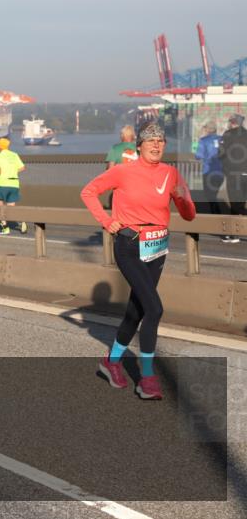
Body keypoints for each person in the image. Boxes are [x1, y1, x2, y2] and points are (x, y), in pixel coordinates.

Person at [81, 123, 196, 400]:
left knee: (137, 311)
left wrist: (182, 200)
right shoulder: (123, 171)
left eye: (161, 141)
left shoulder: (170, 173)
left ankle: (111, 362)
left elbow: (189, 215)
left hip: (157, 246)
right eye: (151, 141)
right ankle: (147, 378)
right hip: (130, 244)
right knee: (154, 309)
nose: (156, 145)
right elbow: (88, 192)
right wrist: (107, 222)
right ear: (139, 146)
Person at [195, 121, 236, 242]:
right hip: (221, 172)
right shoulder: (221, 139)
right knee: (215, 197)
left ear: (207, 129)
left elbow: (198, 156)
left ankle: (221, 228)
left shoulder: (204, 140)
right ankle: (222, 227)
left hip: (209, 172)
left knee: (211, 198)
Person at [0, 137, 27, 235]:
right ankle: (21, 221)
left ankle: (5, 228)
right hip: (14, 184)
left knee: (0, 207)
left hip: (2, 184)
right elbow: (23, 168)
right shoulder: (14, 155)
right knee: (11, 208)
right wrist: (13, 171)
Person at [219, 113, 247, 219]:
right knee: (242, 202)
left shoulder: (228, 134)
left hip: (234, 174)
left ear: (232, 122)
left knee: (236, 203)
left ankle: (234, 233)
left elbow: (220, 153)